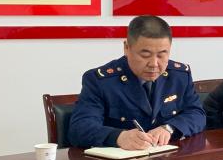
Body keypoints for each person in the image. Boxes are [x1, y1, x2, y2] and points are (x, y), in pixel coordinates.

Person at [69, 15, 206, 149]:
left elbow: (197, 114)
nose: (154, 64)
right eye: (145, 55)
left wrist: (169, 128)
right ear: (126, 48)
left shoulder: (179, 76)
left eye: (161, 55)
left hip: (166, 158)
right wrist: (118, 137)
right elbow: (80, 128)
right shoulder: (101, 81)